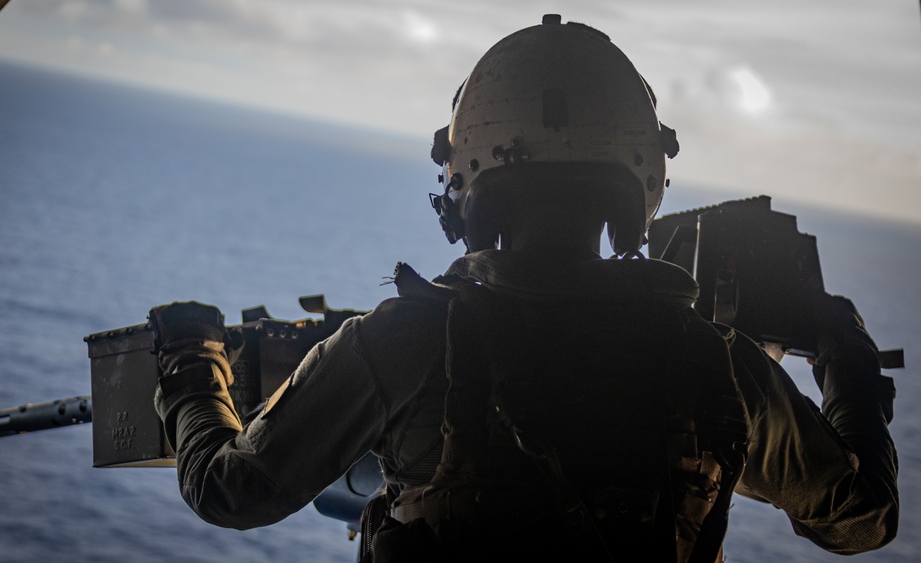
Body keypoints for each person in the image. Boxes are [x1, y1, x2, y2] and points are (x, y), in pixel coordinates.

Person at [148, 15, 897, 562]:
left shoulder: (403, 341)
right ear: (642, 178)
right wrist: (846, 361)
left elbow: (231, 490)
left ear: (468, 177)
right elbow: (860, 517)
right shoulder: (718, 362)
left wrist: (190, 364)